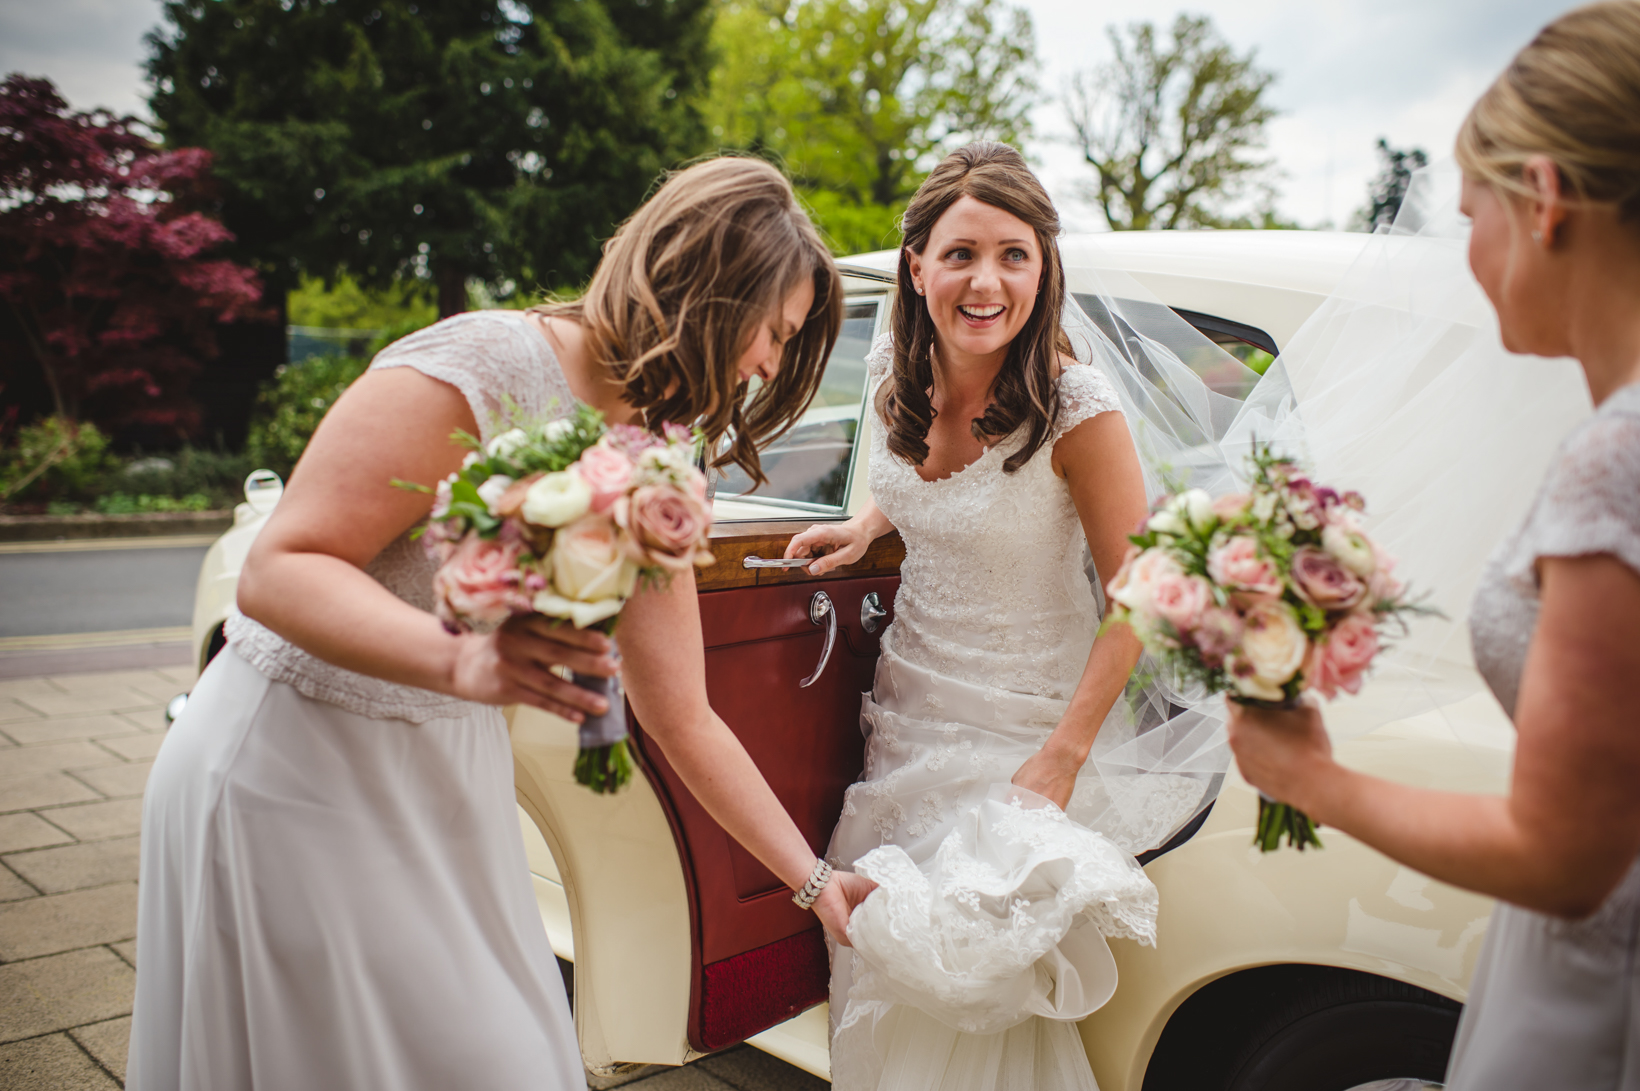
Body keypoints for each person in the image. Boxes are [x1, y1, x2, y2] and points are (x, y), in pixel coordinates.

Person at [128, 155, 875, 1091]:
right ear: (716, 288)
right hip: (292, 771)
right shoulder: (485, 363)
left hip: (443, 778)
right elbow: (280, 569)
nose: (769, 365)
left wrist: (814, 886)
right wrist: (469, 664)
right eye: (775, 331)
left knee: (503, 1055)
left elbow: (682, 712)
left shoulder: (658, 452)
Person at [1224, 4, 1640, 1089]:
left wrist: (1308, 777)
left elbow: (1564, 857)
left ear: (1542, 200)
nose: (1464, 253)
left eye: (1469, 214)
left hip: (1594, 981)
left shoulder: (1613, 454)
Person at [784, 142, 1181, 1091]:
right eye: (960, 253)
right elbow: (938, 481)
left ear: (1044, 271)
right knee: (876, 948)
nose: (986, 280)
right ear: (915, 266)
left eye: (1014, 254)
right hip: (908, 702)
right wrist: (866, 520)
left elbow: (1142, 587)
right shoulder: (893, 364)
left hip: (1023, 729)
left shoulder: (1074, 406)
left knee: (967, 976)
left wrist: (1063, 755)